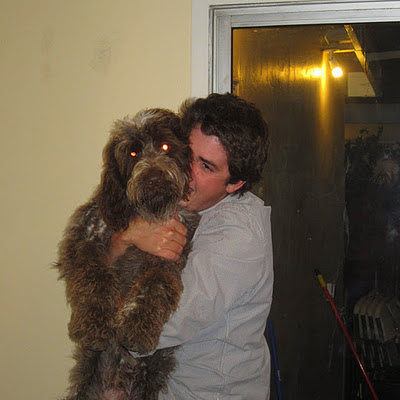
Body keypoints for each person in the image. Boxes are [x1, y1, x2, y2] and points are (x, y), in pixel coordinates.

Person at [111, 93, 273, 399]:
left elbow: (150, 328)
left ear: (235, 183)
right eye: (187, 153)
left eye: (206, 167)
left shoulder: (238, 237)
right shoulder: (181, 202)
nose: (186, 173)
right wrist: (124, 238)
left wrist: (98, 303)